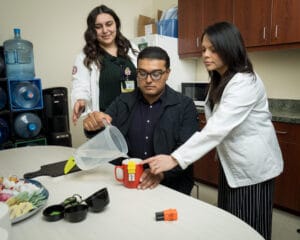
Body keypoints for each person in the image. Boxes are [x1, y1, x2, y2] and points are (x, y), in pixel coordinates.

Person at [142, 22, 283, 240]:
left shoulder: (245, 82)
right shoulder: (220, 79)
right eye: (204, 49)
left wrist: (175, 158)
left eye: (213, 49)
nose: (206, 55)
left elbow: (216, 130)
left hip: (252, 168)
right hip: (232, 165)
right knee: (231, 222)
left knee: (251, 228)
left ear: (229, 48)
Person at [82, 46, 199, 195]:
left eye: (156, 74)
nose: (148, 80)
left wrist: (162, 174)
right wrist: (91, 125)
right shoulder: (122, 101)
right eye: (142, 73)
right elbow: (103, 133)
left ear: (167, 73)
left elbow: (188, 150)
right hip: (128, 183)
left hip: (170, 187)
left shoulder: (184, 106)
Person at [71, 5, 138, 125]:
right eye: (98, 27)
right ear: (92, 30)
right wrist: (80, 100)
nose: (105, 30)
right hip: (107, 121)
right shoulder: (85, 56)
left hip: (136, 117)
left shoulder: (131, 48)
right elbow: (80, 85)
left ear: (116, 24)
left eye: (109, 24)